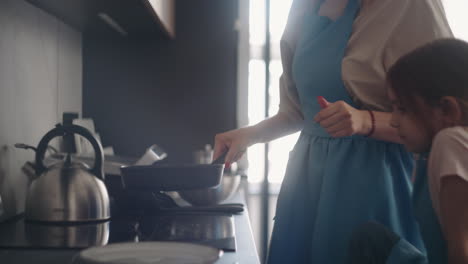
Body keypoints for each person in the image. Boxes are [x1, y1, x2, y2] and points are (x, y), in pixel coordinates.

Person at [213, 0, 452, 262]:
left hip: (379, 185)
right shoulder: (303, 6)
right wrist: (249, 136)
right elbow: (299, 112)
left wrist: (366, 121)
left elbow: (443, 118)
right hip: (305, 184)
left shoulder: (411, 6)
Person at [349, 38, 468, 264]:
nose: (393, 121)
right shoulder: (431, 152)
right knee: (370, 238)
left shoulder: (450, 142)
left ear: (448, 109)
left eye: (402, 109)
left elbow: (462, 250)